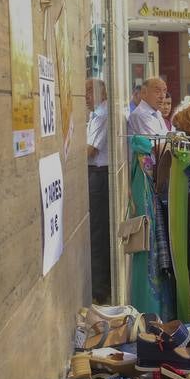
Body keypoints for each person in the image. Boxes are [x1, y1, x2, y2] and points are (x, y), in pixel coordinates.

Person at [86, 77, 111, 303]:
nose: (84, 96)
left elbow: (90, 150)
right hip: (99, 176)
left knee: (97, 234)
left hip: (99, 176)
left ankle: (99, 290)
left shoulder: (101, 115)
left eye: (88, 91)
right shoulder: (98, 114)